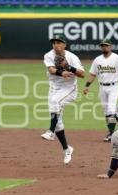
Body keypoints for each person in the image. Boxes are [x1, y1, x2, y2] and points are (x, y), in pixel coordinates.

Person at [41, 34, 85, 164]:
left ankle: (50, 132)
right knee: (58, 120)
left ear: (64, 44)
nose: (56, 45)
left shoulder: (72, 57)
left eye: (59, 42)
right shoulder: (48, 55)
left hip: (69, 89)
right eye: (54, 42)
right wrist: (62, 72)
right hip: (53, 88)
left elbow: (82, 74)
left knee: (56, 103)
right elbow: (51, 69)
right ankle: (67, 149)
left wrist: (69, 67)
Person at [83, 39, 118, 142]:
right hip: (102, 87)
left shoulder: (117, 58)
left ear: (110, 47)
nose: (104, 47)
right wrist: (87, 85)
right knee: (106, 111)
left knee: (111, 109)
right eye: (103, 45)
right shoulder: (97, 60)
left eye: (106, 45)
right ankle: (115, 131)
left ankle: (111, 134)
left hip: (114, 87)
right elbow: (93, 74)